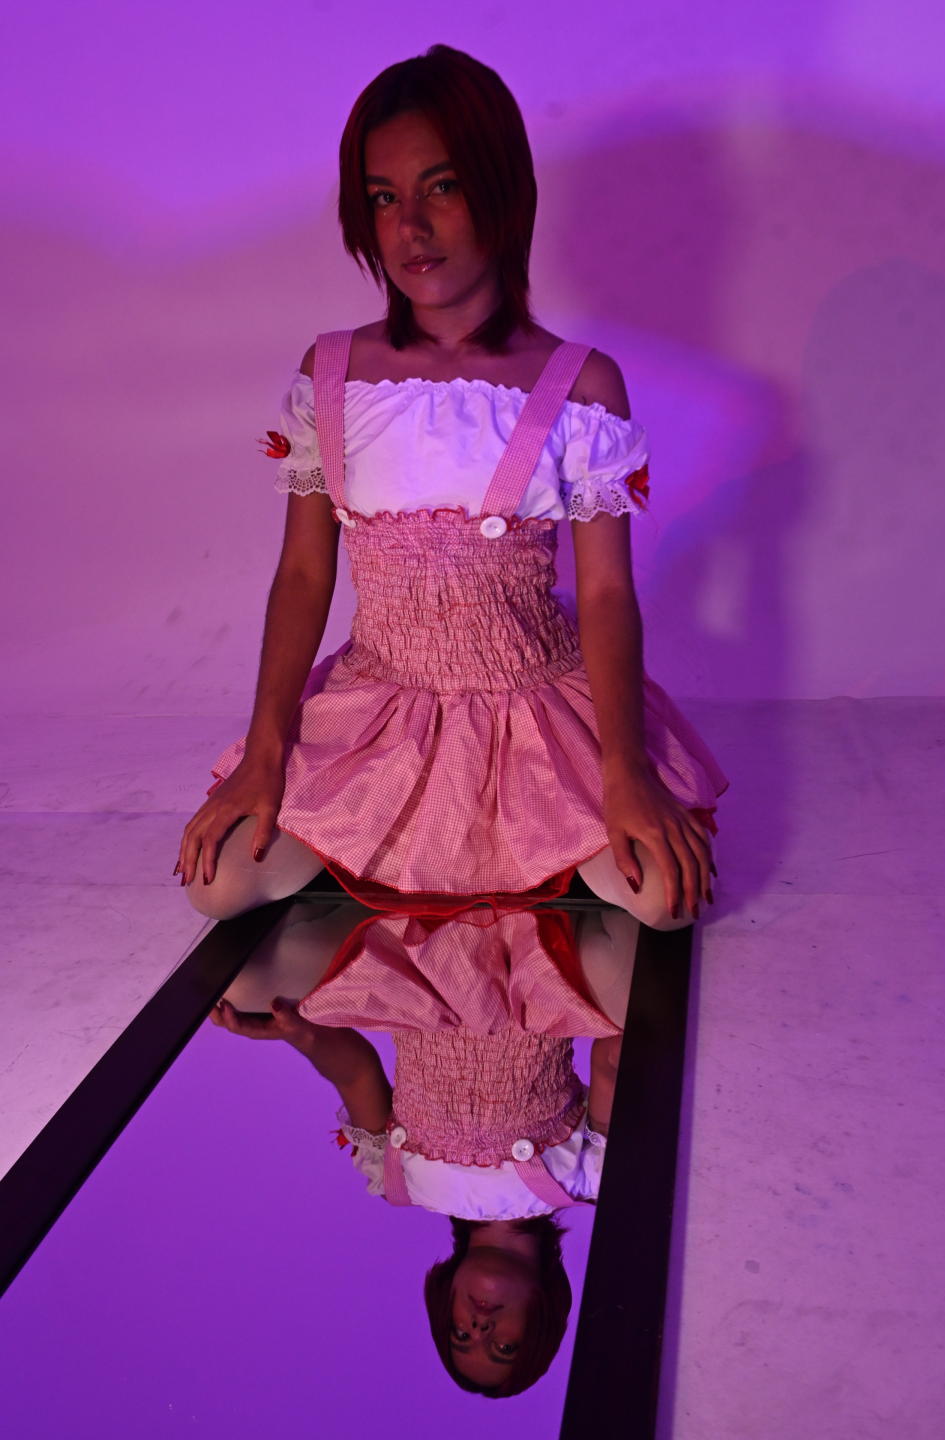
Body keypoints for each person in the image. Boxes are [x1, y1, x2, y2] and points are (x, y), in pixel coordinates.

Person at [175, 43, 727, 928]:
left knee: (662, 900)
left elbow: (605, 591)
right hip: (379, 705)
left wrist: (624, 770)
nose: (410, 228)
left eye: (442, 187)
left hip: (534, 707)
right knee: (221, 886)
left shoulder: (580, 385)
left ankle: (533, 830)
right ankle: (384, 834)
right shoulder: (333, 372)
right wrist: (266, 754)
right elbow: (304, 574)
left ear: (501, 192)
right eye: (383, 198)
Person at [209, 900, 629, 1396]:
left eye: (460, 1335)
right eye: (503, 1346)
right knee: (637, 976)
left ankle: (380, 899)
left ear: (444, 1307)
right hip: (531, 965)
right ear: (542, 1318)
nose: (479, 1327)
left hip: (413, 965)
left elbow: (356, 1074)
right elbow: (611, 1063)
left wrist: (299, 1034)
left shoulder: (399, 1181)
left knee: (240, 984)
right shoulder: (587, 1177)